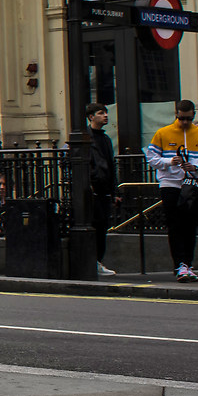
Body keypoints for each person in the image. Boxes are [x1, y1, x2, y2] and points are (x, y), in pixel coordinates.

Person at [147, 101, 198, 282]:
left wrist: (196, 167)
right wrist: (170, 162)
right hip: (170, 184)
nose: (184, 122)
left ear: (194, 115)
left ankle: (187, 263)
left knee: (190, 225)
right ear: (176, 114)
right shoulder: (163, 133)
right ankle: (180, 264)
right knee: (175, 224)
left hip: (192, 183)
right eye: (181, 118)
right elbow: (152, 158)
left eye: (188, 118)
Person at [84, 103, 118, 278]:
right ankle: (94, 262)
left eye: (106, 112)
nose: (105, 115)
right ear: (91, 117)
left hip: (104, 190)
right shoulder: (85, 138)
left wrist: (114, 191)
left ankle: (98, 261)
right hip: (92, 190)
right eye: (100, 113)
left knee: (103, 227)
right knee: (95, 227)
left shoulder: (105, 139)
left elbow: (111, 166)